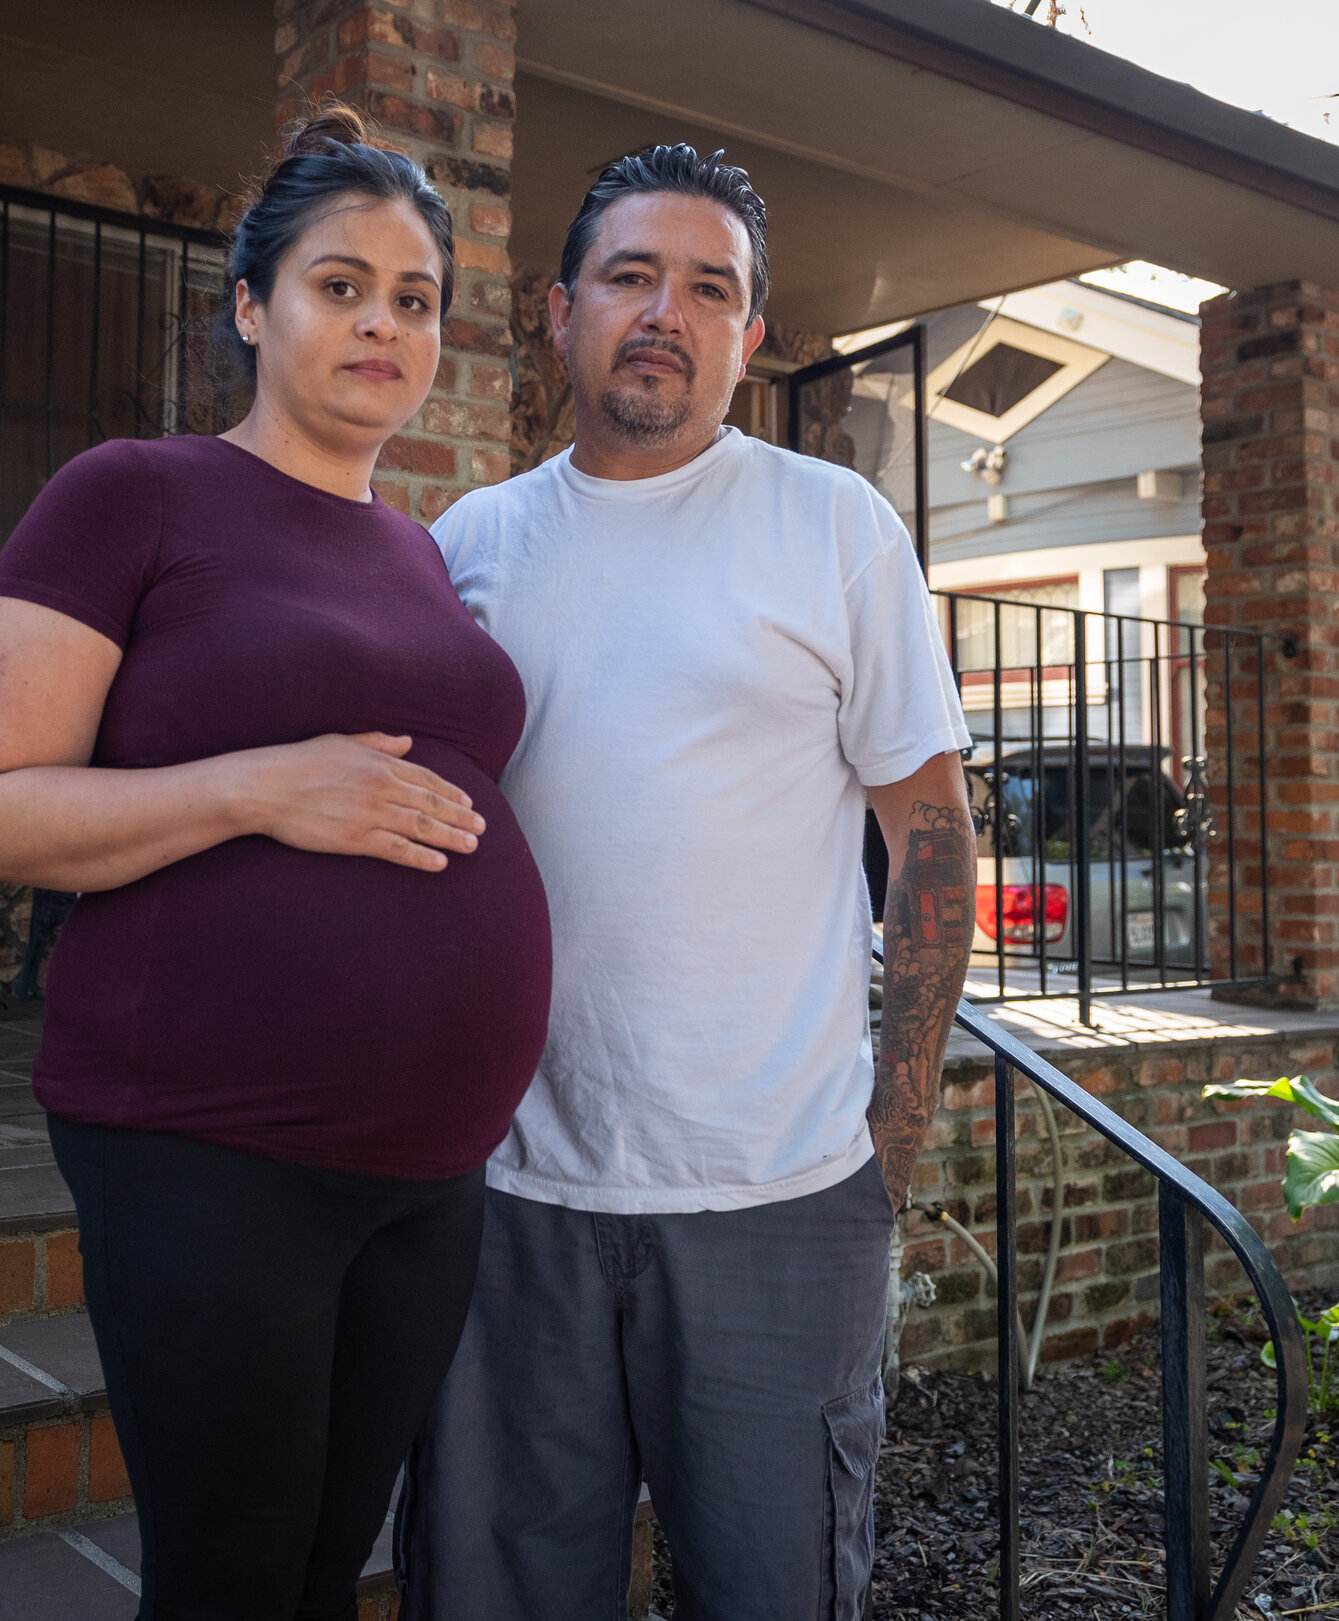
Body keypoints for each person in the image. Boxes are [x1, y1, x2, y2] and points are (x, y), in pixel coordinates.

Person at [0, 106, 549, 1620]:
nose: (381, 324)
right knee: (228, 1578)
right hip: (210, 1143)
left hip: (426, 1165)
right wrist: (256, 789)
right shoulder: (132, 493)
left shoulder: (417, 550)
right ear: (249, 306)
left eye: (414, 298)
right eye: (340, 284)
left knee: (327, 1569)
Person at [400, 144, 977, 1617]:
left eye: (708, 288)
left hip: (778, 1197)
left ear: (750, 334)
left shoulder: (832, 526)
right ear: (559, 310)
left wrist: (884, 1155)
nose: (667, 311)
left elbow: (930, 831)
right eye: (632, 276)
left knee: (774, 1591)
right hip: (513, 1193)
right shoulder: (472, 544)